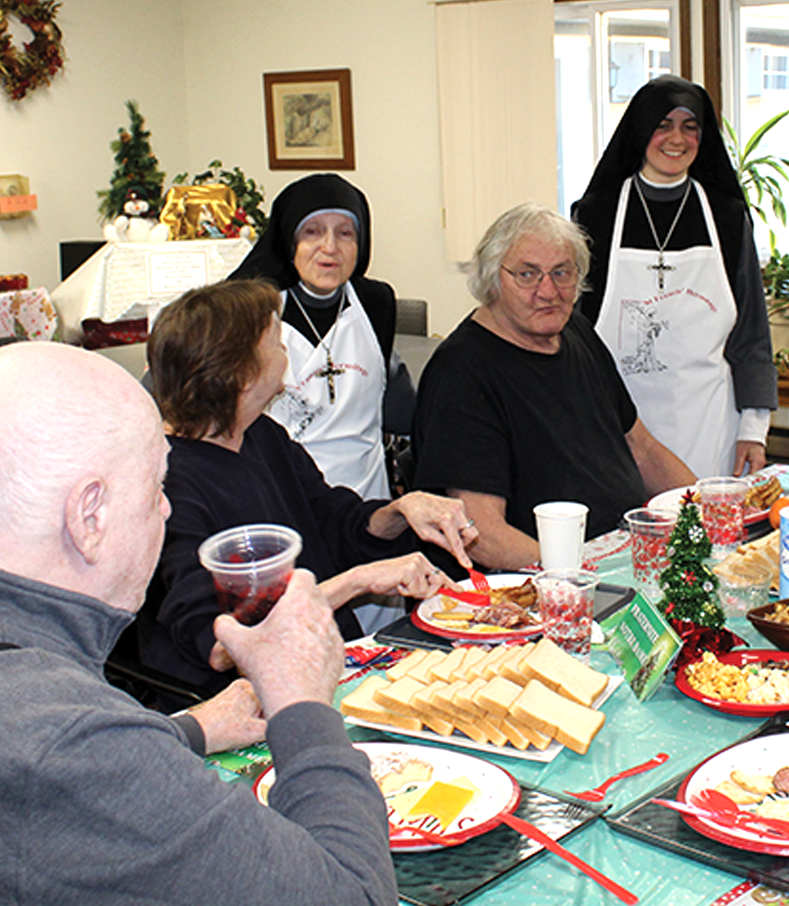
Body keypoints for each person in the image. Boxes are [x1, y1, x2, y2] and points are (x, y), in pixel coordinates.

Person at [0, 342, 396, 906]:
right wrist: (302, 705)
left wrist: (186, 729)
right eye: (156, 488)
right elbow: (356, 896)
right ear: (89, 517)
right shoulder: (71, 743)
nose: (165, 509)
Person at [137, 280, 478, 700]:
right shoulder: (165, 485)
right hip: (242, 701)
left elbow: (334, 521)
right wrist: (357, 582)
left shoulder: (262, 435)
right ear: (240, 374)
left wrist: (401, 511)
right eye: (276, 344)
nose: (286, 354)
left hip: (324, 665)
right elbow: (221, 646)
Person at [411, 202, 697, 570]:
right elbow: (481, 533)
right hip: (541, 579)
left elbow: (642, 448)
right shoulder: (461, 372)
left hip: (618, 553)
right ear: (492, 280)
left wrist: (705, 509)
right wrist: (580, 577)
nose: (548, 291)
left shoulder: (575, 330)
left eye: (562, 273)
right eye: (527, 274)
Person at [571, 75, 776, 478]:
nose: (677, 139)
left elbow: (751, 331)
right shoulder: (595, 214)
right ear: (640, 129)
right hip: (615, 423)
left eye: (690, 127)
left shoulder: (727, 217)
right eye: (663, 125)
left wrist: (754, 431)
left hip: (708, 425)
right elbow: (572, 328)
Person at [230, 173, 401, 499]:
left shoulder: (377, 303)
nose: (330, 247)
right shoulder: (250, 310)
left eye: (345, 233)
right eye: (312, 232)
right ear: (288, 240)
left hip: (368, 497)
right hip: (283, 495)